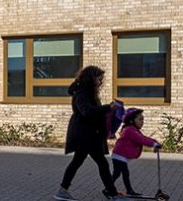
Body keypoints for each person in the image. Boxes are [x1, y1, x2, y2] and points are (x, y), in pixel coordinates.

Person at [57, 66, 120, 200]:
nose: (100, 82)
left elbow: (94, 110)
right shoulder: (82, 93)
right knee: (101, 163)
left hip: (89, 134)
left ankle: (62, 190)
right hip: (85, 134)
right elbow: (87, 111)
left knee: (79, 162)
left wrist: (108, 109)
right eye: (99, 79)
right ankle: (113, 193)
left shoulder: (87, 91)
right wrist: (108, 107)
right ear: (91, 78)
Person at [111, 108, 161, 197]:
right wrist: (154, 144)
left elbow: (144, 137)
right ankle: (121, 189)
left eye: (143, 119)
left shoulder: (133, 130)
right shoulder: (129, 130)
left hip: (119, 155)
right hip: (119, 155)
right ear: (131, 120)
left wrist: (155, 142)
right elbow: (141, 139)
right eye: (140, 119)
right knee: (123, 173)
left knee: (118, 173)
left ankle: (110, 188)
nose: (142, 122)